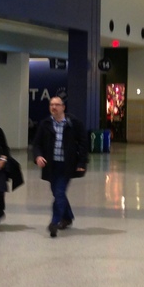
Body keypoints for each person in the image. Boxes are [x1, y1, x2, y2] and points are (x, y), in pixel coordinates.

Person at [33, 96, 88, 238]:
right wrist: (38, 156)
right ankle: (68, 217)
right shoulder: (45, 124)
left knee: (59, 192)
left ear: (63, 107)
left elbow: (83, 143)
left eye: (57, 105)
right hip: (51, 165)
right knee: (58, 192)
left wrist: (82, 163)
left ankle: (55, 222)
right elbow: (37, 144)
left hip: (67, 165)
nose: (54, 107)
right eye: (51, 105)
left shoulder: (73, 123)